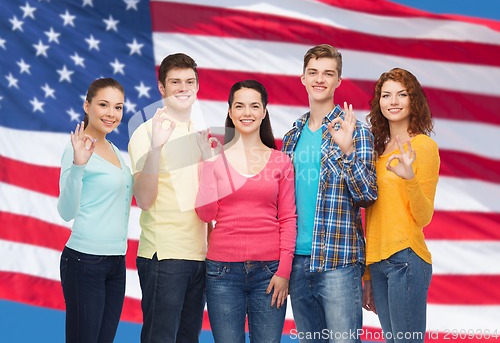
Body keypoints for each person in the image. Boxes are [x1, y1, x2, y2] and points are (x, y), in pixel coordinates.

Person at [281, 44, 378, 343]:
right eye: (313, 73)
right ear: (303, 78)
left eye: (328, 73)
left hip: (338, 260)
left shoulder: (357, 131)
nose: (319, 79)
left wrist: (347, 150)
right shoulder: (291, 136)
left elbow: (367, 195)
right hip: (297, 262)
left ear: (338, 81)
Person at [195, 80, 297, 343]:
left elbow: (287, 218)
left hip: (270, 272)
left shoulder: (281, 161)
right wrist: (206, 165)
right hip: (222, 273)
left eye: (254, 106)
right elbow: (206, 215)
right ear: (230, 111)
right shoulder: (215, 159)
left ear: (264, 112)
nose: (247, 113)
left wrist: (284, 271)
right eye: (239, 106)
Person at [128, 53, 208, 343]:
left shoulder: (200, 135)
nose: (183, 88)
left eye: (189, 81)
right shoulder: (145, 133)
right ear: (161, 88)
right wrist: (156, 148)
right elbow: (145, 199)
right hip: (165, 256)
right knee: (160, 338)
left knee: (189, 339)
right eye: (175, 82)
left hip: (199, 257)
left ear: (197, 87)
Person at [363, 68, 440, 343]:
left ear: (413, 101)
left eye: (401, 94)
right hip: (379, 263)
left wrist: (409, 179)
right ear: (379, 102)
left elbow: (424, 216)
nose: (393, 101)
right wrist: (368, 273)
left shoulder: (424, 147)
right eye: (386, 95)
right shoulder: (376, 150)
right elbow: (371, 216)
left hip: (406, 259)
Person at [57, 78, 133, 343]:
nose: (112, 114)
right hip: (84, 261)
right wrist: (78, 165)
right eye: (104, 105)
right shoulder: (76, 148)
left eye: (118, 107)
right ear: (87, 106)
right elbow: (66, 211)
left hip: (116, 261)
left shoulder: (114, 149)